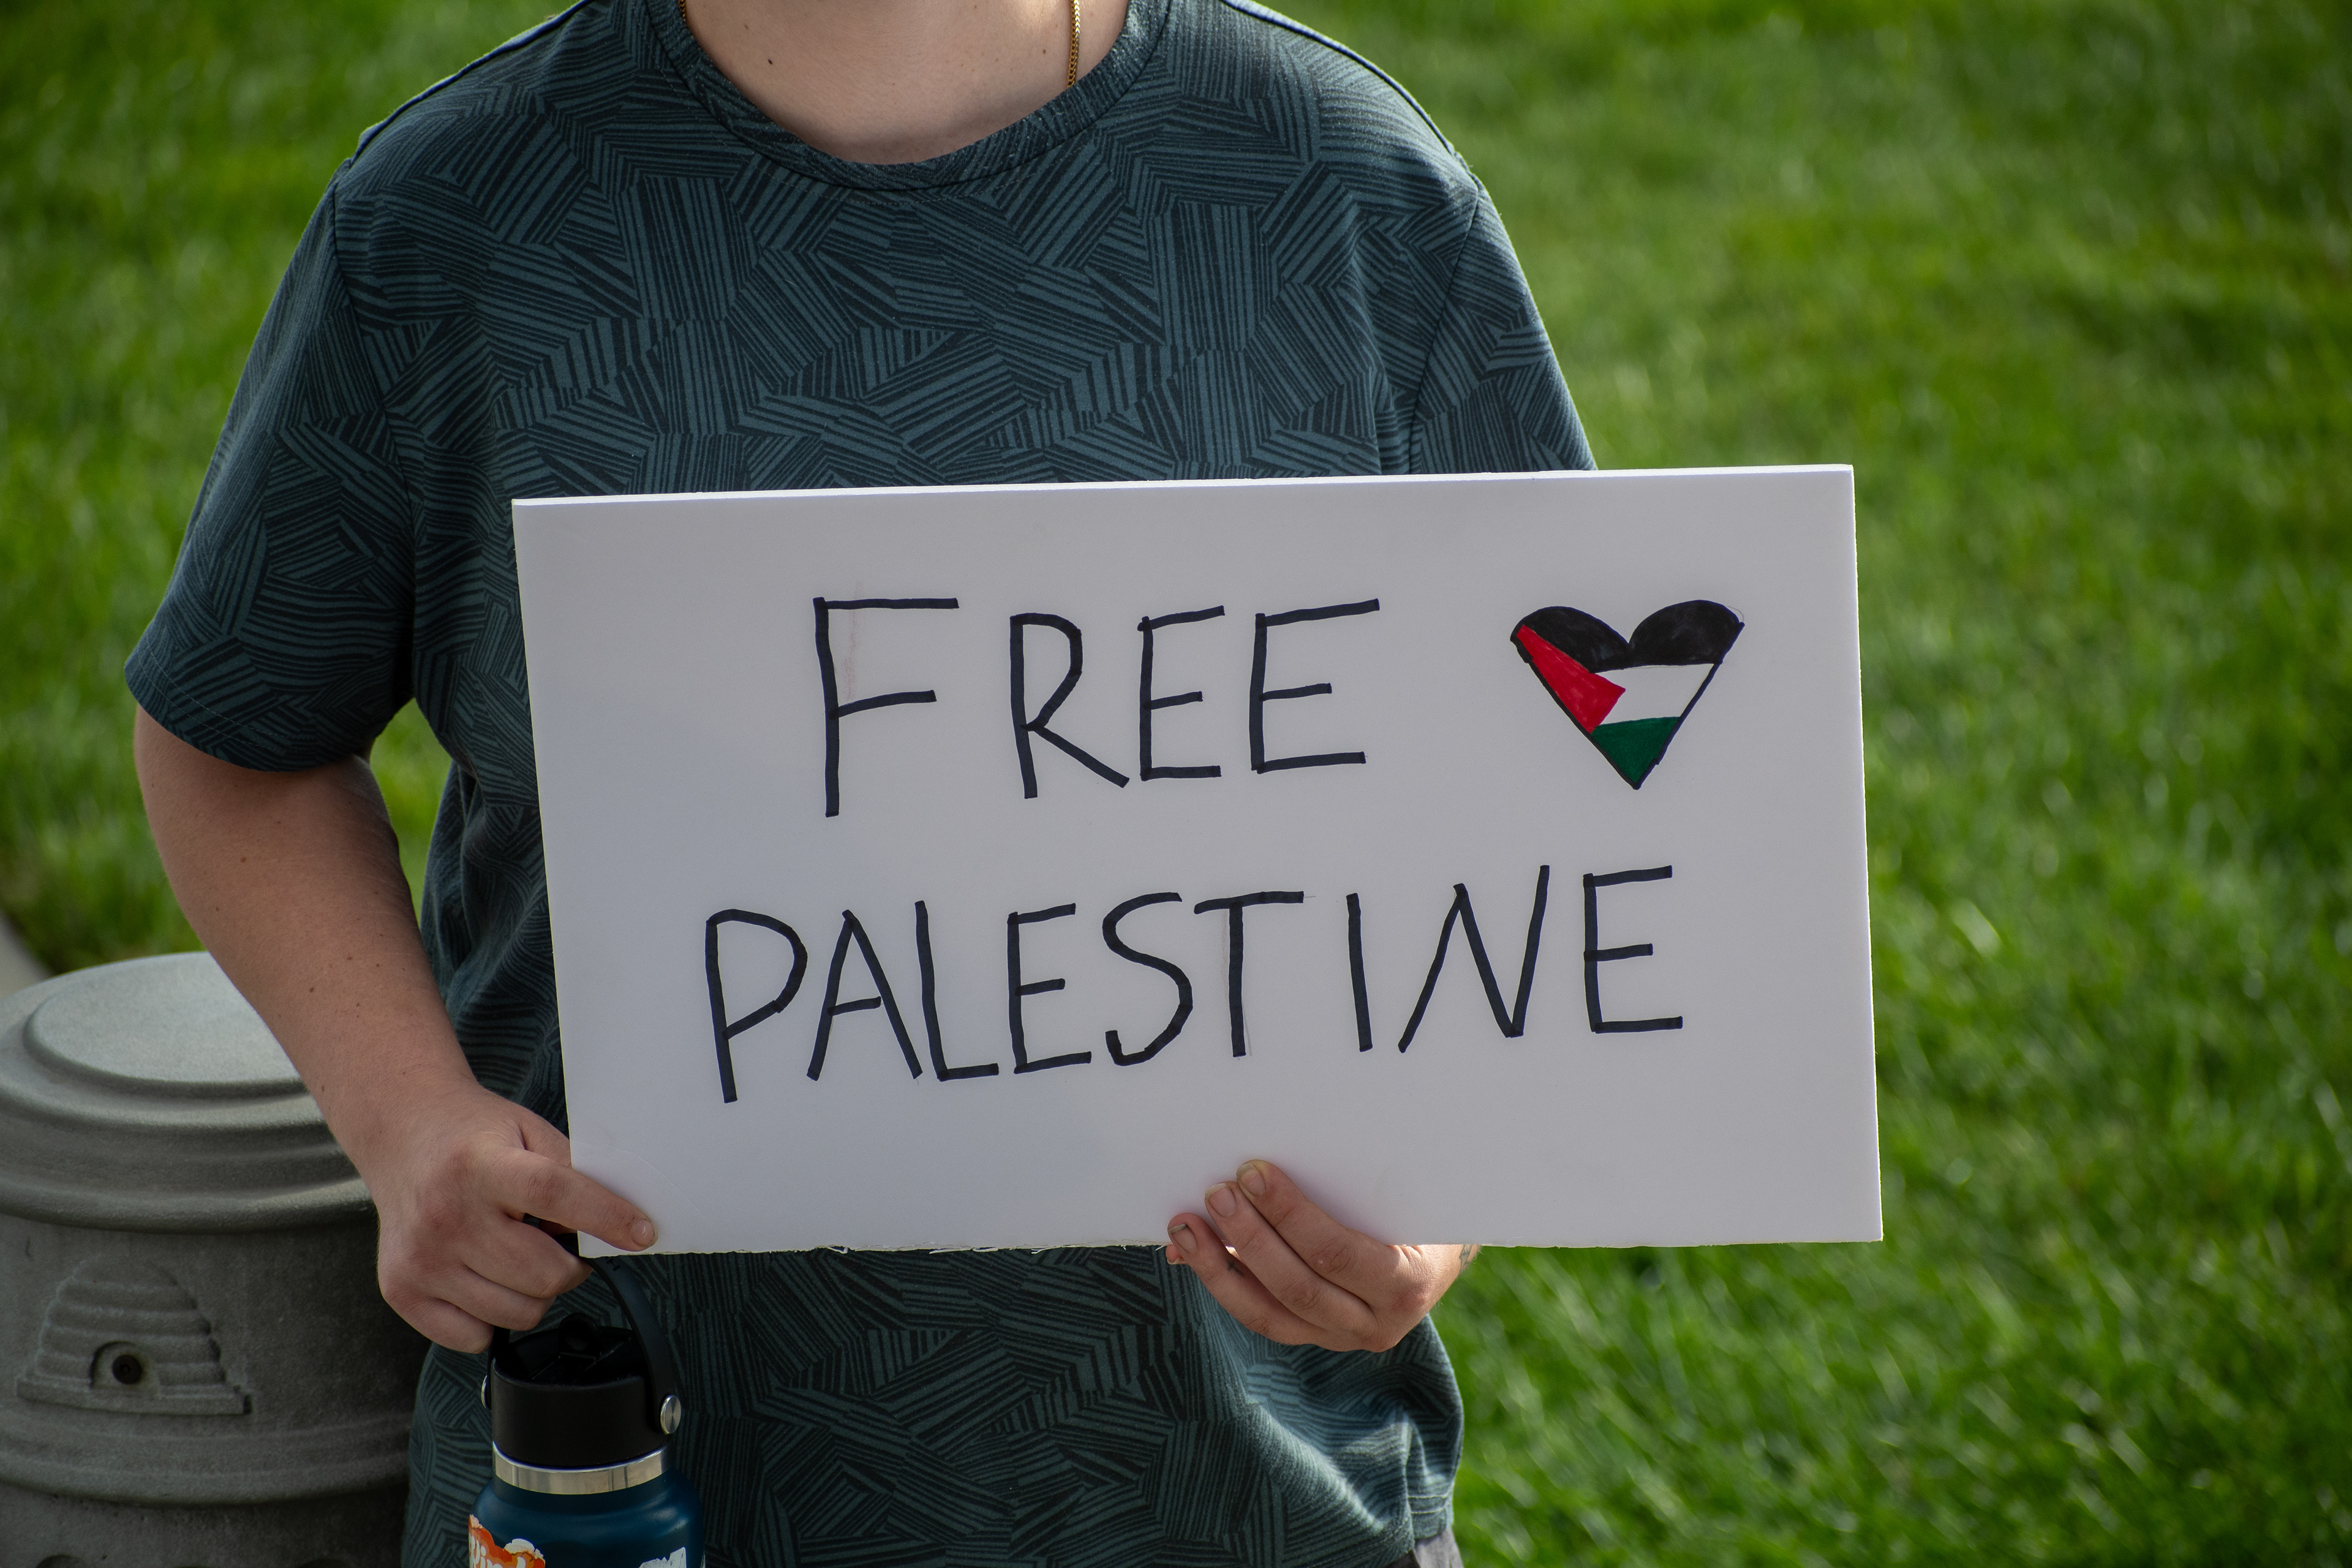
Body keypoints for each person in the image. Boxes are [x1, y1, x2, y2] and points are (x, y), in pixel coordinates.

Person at [129, 0, 1593, 1561]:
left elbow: (1560, 780)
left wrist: (1434, 1202)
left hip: (1242, 1484)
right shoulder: (459, 218)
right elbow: (238, 740)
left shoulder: (1345, 192)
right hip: (631, 1464)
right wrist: (407, 1119)